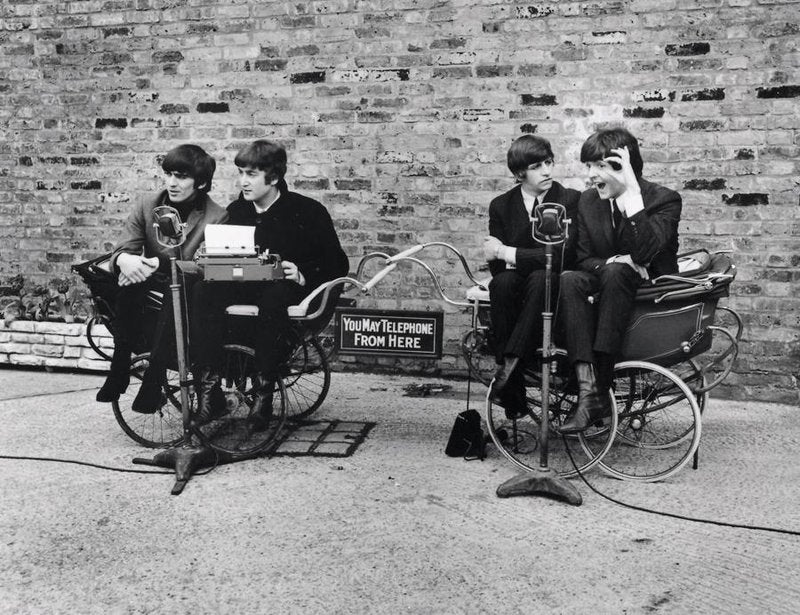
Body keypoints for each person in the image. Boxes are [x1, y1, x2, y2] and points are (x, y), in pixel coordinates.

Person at [190, 140, 349, 427]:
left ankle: (263, 395)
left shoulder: (307, 211)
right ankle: (210, 392)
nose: (243, 181)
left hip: (285, 289)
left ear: (273, 178)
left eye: (251, 174)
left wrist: (302, 272)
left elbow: (337, 263)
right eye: (240, 173)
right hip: (243, 284)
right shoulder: (236, 211)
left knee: (274, 295)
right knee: (202, 291)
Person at [559, 127, 682, 433]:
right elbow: (583, 258)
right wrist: (615, 261)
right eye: (589, 166)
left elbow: (645, 253)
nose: (591, 175)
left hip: (650, 293)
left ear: (622, 167)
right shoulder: (589, 202)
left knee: (616, 273)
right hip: (607, 285)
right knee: (570, 279)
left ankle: (601, 388)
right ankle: (588, 391)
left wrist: (633, 196)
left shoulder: (664, 200)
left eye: (599, 166)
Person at [95, 144, 228, 411]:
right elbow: (124, 247)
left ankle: (154, 378)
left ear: (201, 183)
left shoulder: (217, 216)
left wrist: (160, 263)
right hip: (149, 283)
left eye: (181, 177)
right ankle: (119, 366)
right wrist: (125, 260)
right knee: (129, 281)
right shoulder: (148, 204)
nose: (172, 183)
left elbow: (206, 267)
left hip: (187, 289)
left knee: (177, 285)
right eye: (168, 174)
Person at [483, 135, 581, 418]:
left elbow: (560, 256)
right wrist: (521, 256)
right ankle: (514, 390)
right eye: (537, 166)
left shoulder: (569, 199)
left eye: (549, 162)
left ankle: (508, 365)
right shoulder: (501, 205)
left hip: (553, 289)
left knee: (541, 277)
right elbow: (497, 267)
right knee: (502, 283)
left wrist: (507, 252)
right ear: (519, 173)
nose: (547, 171)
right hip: (516, 288)